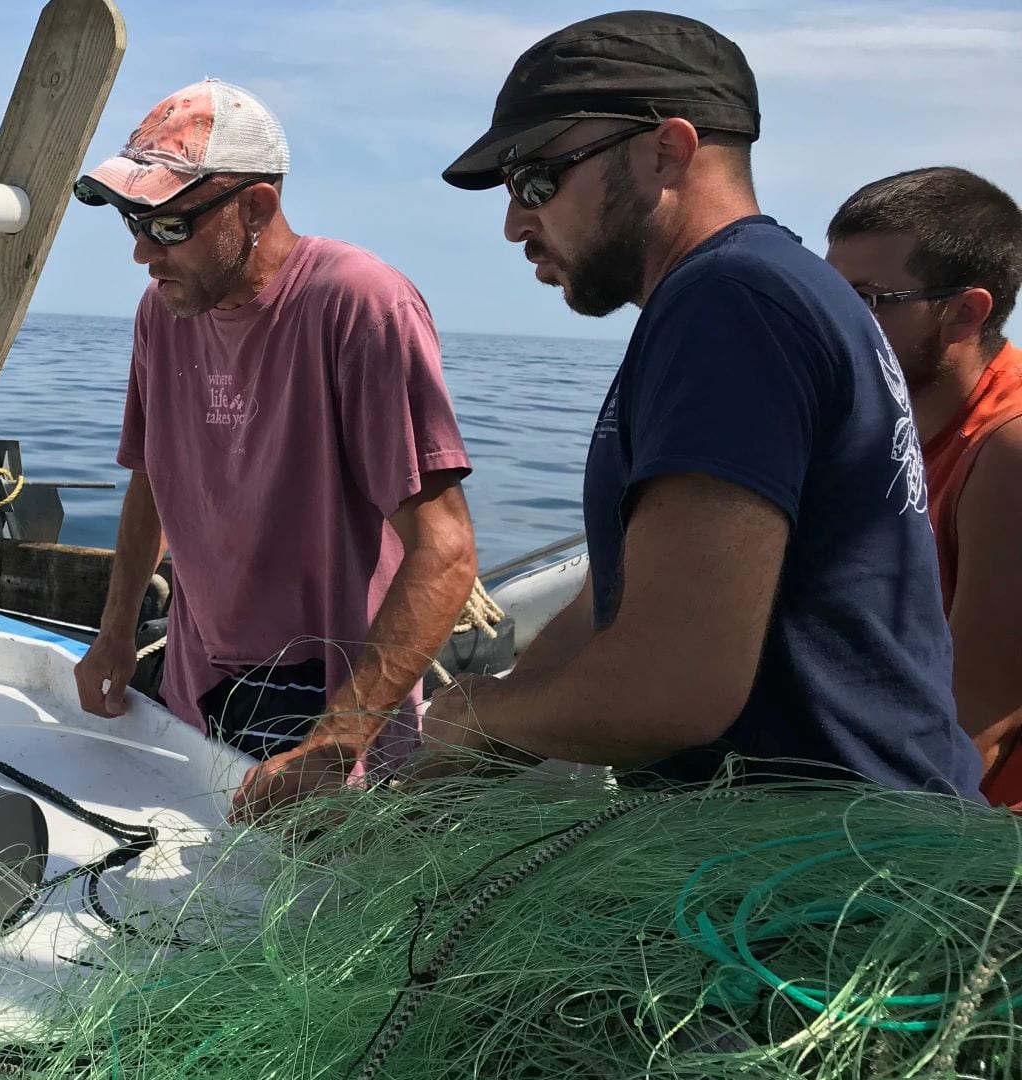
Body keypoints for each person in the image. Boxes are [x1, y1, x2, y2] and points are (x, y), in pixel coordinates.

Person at [420, 11, 981, 793]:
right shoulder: (751, 293)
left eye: (535, 179)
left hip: (822, 879)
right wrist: (453, 760)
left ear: (667, 150)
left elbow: (671, 686)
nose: (516, 222)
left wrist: (471, 717)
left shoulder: (731, 301)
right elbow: (603, 606)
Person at [65, 79, 478, 814]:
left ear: (255, 208)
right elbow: (151, 481)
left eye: (166, 225)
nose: (140, 252)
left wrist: (335, 742)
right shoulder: (163, 313)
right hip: (196, 692)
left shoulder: (362, 305)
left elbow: (444, 553)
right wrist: (116, 633)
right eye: (133, 219)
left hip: (327, 714)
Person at [825, 168, 1022, 806]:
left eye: (868, 301)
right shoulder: (880, 418)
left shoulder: (1009, 449)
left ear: (965, 313)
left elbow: (975, 725)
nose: (833, 325)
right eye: (827, 297)